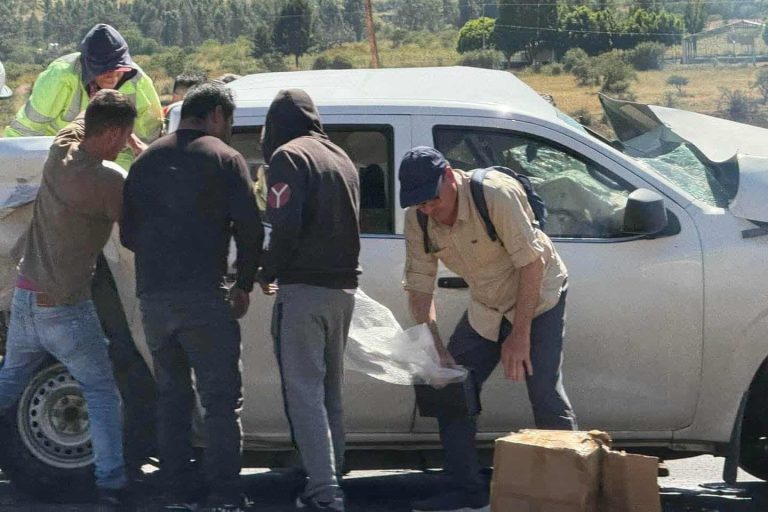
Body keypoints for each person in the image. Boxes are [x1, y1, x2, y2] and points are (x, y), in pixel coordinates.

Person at [399, 147, 577, 512]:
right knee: (451, 387)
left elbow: (532, 265)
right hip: (488, 303)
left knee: (543, 390)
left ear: (449, 176)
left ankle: (569, 494)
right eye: (421, 205)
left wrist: (520, 335)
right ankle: (465, 490)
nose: (430, 209)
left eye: (434, 199)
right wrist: (436, 350)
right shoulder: (418, 219)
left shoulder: (495, 193)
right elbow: (419, 286)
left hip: (538, 295)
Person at [120, 82, 263, 512]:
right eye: (230, 121)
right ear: (217, 114)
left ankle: (176, 492)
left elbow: (128, 234)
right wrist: (243, 283)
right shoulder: (226, 159)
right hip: (205, 296)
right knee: (220, 402)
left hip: (155, 301)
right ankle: (223, 496)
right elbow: (251, 231)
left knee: (173, 397)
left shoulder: (145, 161)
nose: (229, 130)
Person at [0, 89, 142, 507]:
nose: (123, 146)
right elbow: (133, 234)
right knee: (100, 393)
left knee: (9, 383)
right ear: (114, 132)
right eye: (123, 137)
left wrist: (102, 98)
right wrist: (145, 154)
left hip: (26, 297)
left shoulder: (59, 151)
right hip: (65, 308)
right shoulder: (108, 180)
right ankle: (112, 484)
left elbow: (81, 123)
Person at [259, 89, 360, 512]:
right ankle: (330, 477)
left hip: (303, 292)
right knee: (330, 393)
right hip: (343, 291)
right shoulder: (342, 158)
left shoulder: (288, 158)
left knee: (304, 395)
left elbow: (285, 225)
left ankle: (323, 492)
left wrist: (265, 272)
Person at [4, 23, 162, 170]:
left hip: (117, 160)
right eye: (105, 70)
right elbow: (25, 131)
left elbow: (150, 141)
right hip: (61, 155)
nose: (112, 76)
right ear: (88, 65)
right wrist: (7, 162)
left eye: (118, 68)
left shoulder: (139, 83)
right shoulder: (60, 77)